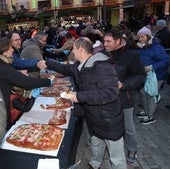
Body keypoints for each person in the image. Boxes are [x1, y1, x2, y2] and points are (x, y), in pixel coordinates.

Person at [42, 37, 127, 169]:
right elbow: (65, 69)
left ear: (81, 49)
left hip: (109, 118)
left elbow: (111, 93)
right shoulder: (80, 66)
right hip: (93, 115)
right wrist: (47, 63)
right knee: (96, 143)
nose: (73, 52)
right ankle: (95, 164)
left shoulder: (102, 67)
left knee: (116, 156)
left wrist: (78, 97)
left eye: (74, 49)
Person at [103, 28, 146, 165]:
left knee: (128, 128)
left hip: (124, 98)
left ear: (118, 41)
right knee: (110, 126)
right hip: (106, 98)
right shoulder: (104, 54)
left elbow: (140, 75)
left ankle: (132, 150)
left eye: (109, 41)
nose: (105, 44)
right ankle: (114, 152)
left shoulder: (132, 55)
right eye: (104, 40)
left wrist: (124, 84)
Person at [0, 37, 52, 129]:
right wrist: (48, 82)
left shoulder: (5, 64)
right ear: (4, 52)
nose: (12, 50)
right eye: (10, 48)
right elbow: (26, 82)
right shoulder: (4, 67)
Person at [136, 26, 169, 124]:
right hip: (144, 75)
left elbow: (166, 60)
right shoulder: (140, 47)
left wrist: (152, 67)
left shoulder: (157, 47)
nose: (140, 39)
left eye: (142, 37)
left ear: (148, 36)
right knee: (143, 94)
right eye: (139, 37)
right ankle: (146, 112)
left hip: (156, 76)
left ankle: (150, 116)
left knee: (151, 96)